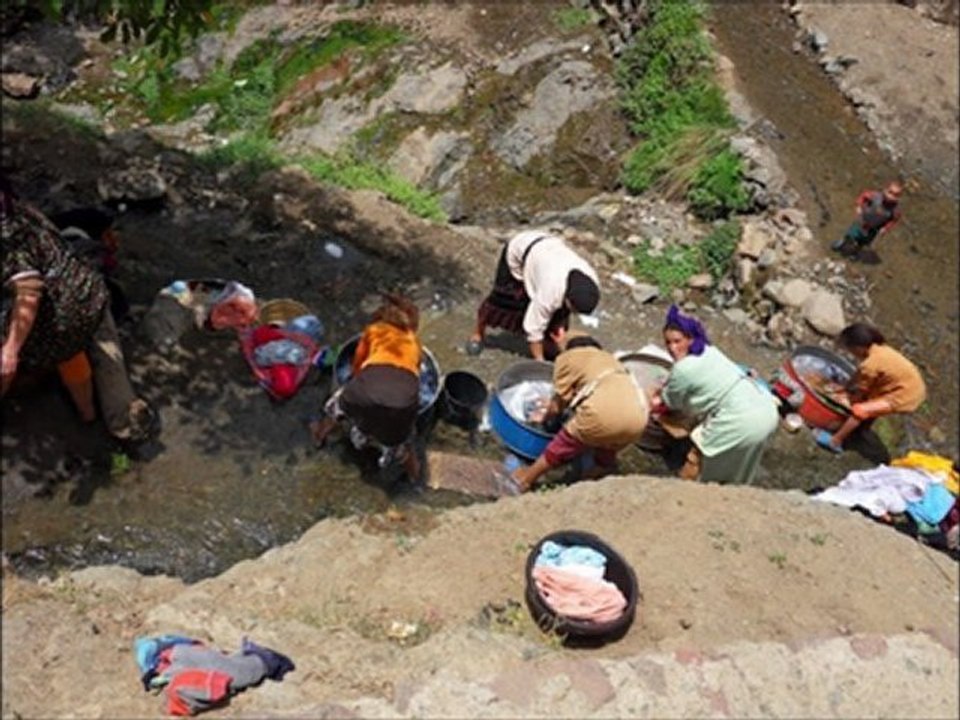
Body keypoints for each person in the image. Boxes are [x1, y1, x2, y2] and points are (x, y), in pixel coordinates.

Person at [1, 178, 156, 447]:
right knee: (104, 357)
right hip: (91, 294)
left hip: (57, 316)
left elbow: (29, 293)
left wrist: (11, 349)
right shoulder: (24, 211)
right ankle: (113, 420)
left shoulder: (7, 238)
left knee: (35, 350)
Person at [650, 305, 779, 485]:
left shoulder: (684, 368)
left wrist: (656, 397)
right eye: (668, 343)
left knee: (697, 454)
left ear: (690, 339)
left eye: (677, 341)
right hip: (766, 409)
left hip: (741, 418)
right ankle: (734, 489)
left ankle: (683, 491)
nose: (672, 348)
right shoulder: (711, 351)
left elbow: (671, 401)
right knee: (741, 460)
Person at [507, 333, 649, 493]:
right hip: (640, 418)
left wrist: (544, 416)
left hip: (602, 414)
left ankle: (526, 479)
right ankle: (599, 471)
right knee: (608, 441)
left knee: (564, 443)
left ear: (571, 350)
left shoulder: (568, 358)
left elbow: (557, 406)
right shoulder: (611, 361)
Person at [310, 294, 423, 480]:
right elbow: (415, 375)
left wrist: (357, 384)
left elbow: (357, 365)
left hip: (367, 390)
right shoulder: (414, 341)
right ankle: (414, 474)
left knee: (337, 407)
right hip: (402, 400)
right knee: (401, 442)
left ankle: (319, 435)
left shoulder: (374, 330)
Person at [466, 229, 600, 361]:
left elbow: (563, 313)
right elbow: (534, 329)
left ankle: (548, 344)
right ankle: (478, 333)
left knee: (558, 316)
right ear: (567, 298)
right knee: (501, 301)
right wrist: (539, 362)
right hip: (521, 250)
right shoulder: (551, 291)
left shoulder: (591, 281)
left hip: (548, 255)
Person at [814, 323, 926, 454]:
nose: (850, 352)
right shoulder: (879, 348)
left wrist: (848, 398)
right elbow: (860, 374)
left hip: (906, 396)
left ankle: (835, 441)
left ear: (859, 347)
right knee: (873, 402)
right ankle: (861, 429)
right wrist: (847, 386)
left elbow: (862, 391)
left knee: (861, 410)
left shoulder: (871, 364)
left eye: (850, 348)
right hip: (910, 385)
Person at [831, 181, 902, 256]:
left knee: (863, 242)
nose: (891, 196)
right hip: (862, 221)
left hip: (873, 229)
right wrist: (858, 206)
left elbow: (893, 220)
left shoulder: (895, 210)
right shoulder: (875, 196)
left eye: (895, 195)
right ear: (885, 190)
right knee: (850, 235)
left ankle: (855, 252)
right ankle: (841, 243)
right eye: (890, 192)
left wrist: (885, 228)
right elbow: (864, 196)